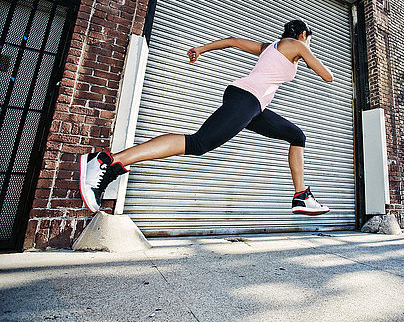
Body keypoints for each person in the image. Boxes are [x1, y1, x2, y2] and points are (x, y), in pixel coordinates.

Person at [79, 19, 334, 216]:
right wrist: (305, 54)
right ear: (303, 35)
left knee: (296, 135)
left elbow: (234, 41)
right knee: (199, 143)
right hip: (247, 98)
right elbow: (327, 75)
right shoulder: (298, 45)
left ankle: (301, 195)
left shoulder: (270, 48)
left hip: (251, 104)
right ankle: (108, 162)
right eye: (307, 41)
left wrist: (202, 49)